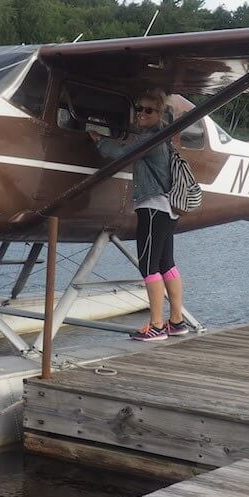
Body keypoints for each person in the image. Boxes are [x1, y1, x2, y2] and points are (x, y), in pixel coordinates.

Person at [89, 89, 190, 341]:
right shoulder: (162, 137)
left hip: (154, 208)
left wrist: (97, 139)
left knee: (148, 265)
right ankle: (176, 321)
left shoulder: (151, 137)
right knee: (167, 263)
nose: (142, 114)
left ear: (159, 113)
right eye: (139, 108)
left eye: (149, 110)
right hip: (167, 208)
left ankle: (156, 326)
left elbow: (122, 153)